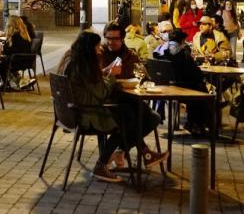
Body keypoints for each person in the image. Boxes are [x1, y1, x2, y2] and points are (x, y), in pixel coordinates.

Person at [63, 31, 167, 182]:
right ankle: (104, 163)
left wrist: (103, 72)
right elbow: (102, 93)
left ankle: (143, 153)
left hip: (73, 111)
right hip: (87, 113)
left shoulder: (73, 61)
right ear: (88, 49)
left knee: (131, 111)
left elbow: (93, 85)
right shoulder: (84, 66)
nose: (100, 50)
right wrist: (112, 75)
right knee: (128, 117)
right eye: (97, 47)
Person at [157, 29, 211, 136]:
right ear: (182, 41)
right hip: (181, 88)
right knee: (203, 91)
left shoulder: (161, 50)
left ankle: (192, 123)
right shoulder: (182, 53)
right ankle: (197, 124)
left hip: (165, 86)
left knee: (198, 87)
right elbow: (195, 73)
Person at [0, 15, 33, 89]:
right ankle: (17, 80)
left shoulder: (16, 36)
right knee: (3, 60)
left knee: (0, 63)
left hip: (19, 61)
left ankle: (6, 84)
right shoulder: (23, 33)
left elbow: (12, 50)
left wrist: (3, 49)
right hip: (25, 60)